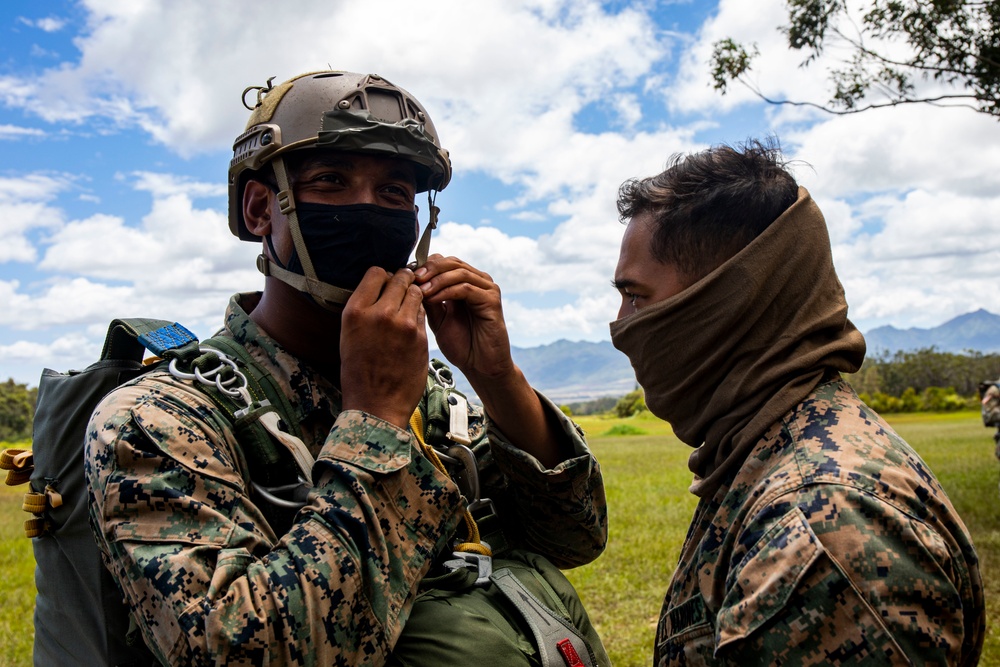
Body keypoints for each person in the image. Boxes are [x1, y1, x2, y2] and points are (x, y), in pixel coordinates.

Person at [85, 71, 609, 666]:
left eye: (393, 193)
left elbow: (574, 537)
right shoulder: (160, 417)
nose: (367, 210)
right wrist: (376, 420)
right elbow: (236, 653)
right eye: (331, 182)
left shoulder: (432, 398)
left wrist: (496, 379)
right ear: (261, 208)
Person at [609, 139, 985, 665]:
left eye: (636, 295)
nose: (621, 325)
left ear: (725, 302)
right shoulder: (767, 449)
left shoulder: (827, 530)